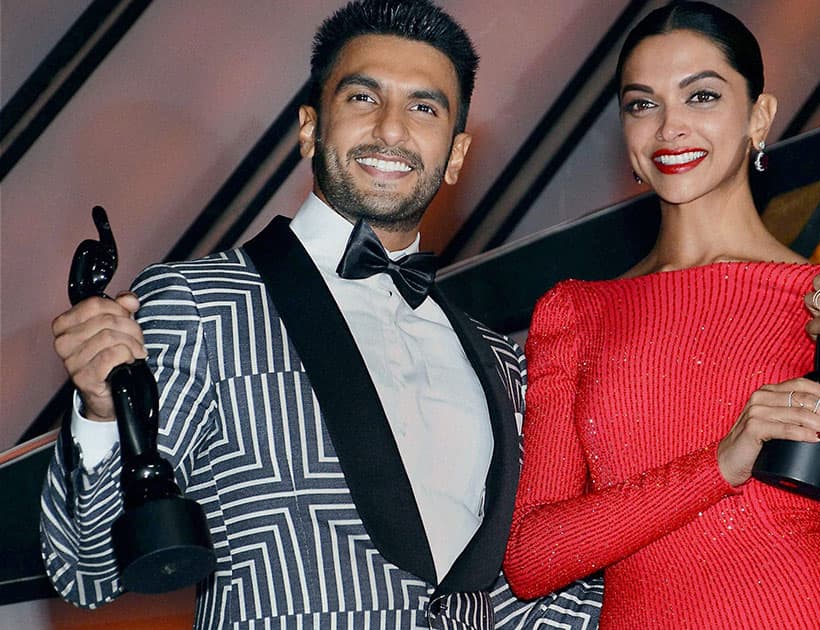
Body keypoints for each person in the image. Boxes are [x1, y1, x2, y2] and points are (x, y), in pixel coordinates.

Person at [40, 1, 602, 628]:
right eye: (363, 98)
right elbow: (84, 569)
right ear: (310, 127)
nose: (392, 130)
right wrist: (97, 412)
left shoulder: (505, 364)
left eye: (424, 107)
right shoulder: (196, 304)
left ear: (456, 153)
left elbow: (530, 591)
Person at [503, 1, 820, 627]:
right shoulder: (575, 312)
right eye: (642, 104)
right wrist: (722, 461)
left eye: (701, 96)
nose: (668, 128)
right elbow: (532, 559)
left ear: (758, 117)